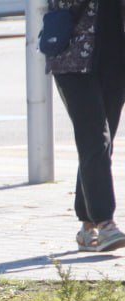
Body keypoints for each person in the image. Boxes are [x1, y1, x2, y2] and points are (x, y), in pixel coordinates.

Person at [46, 0, 125, 251]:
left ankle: (87, 223)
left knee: (103, 144)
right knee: (95, 139)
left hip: (115, 63)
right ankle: (105, 223)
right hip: (75, 60)